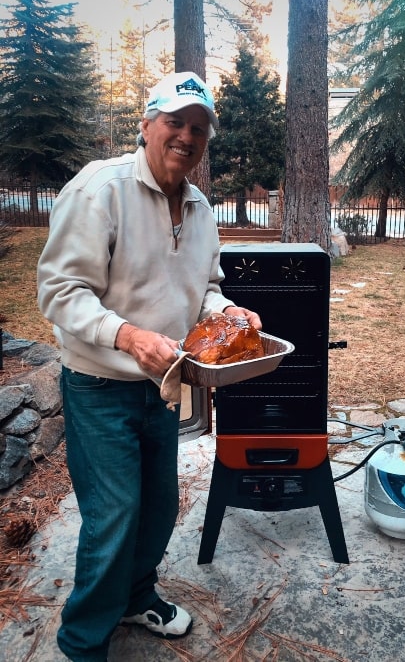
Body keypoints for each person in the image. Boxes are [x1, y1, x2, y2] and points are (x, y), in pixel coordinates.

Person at [37, 71, 262, 662]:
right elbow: (59, 291)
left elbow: (203, 289)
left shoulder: (199, 206)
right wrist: (128, 335)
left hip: (169, 384)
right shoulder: (99, 190)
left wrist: (227, 310)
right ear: (147, 124)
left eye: (198, 127)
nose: (187, 136)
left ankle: (137, 596)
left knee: (159, 508)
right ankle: (83, 642)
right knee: (113, 517)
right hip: (100, 385)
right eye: (175, 122)